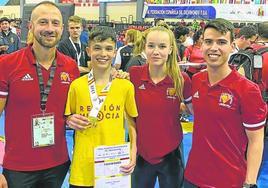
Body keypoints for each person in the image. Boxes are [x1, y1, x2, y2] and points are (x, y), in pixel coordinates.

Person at [0, 1, 80, 187]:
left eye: (55, 23)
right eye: (43, 22)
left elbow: (70, 112)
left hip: (57, 164)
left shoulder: (71, 67)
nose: (50, 28)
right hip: (18, 167)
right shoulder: (7, 64)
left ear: (62, 28)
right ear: (31, 26)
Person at [184, 18, 267, 188]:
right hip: (193, 176)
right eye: (208, 42)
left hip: (229, 180)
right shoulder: (198, 80)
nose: (214, 48)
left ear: (232, 46)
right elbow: (195, 111)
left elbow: (256, 141)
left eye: (221, 42)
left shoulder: (247, 89)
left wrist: (250, 182)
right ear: (202, 45)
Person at [65, 26, 138, 188]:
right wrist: (69, 120)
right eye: (97, 48)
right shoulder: (76, 86)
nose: (103, 54)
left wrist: (133, 152)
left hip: (113, 167)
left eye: (108, 49)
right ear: (88, 51)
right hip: (82, 169)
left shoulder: (125, 86)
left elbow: (132, 122)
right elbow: (67, 118)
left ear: (114, 52)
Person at [129, 25, 192, 188]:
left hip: (171, 153)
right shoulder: (134, 74)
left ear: (171, 49)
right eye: (151, 46)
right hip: (141, 151)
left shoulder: (181, 78)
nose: (156, 51)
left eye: (162, 46)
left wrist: (184, 107)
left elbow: (194, 111)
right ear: (144, 47)